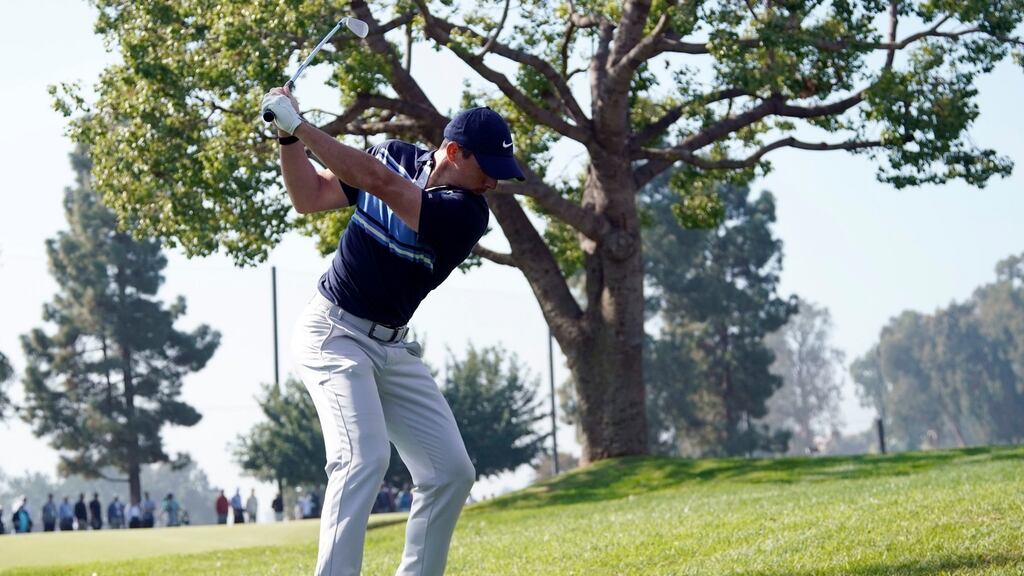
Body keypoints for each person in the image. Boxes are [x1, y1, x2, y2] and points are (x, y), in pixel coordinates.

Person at [261, 86, 522, 576]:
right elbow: (309, 197)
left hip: (393, 348)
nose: (492, 181)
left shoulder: (466, 213)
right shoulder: (395, 154)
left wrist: (300, 124)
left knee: (450, 473)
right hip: (332, 333)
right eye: (486, 166)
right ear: (452, 151)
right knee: (362, 458)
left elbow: (382, 184)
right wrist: (287, 139)